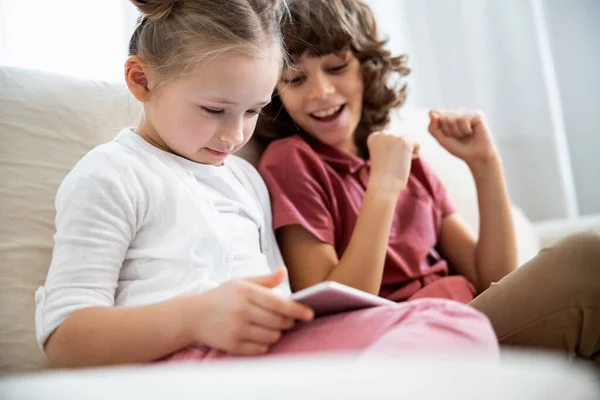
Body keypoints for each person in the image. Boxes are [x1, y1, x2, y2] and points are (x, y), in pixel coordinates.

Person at [34, 0, 498, 368]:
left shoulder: (244, 178)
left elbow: (283, 293)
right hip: (182, 364)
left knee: (455, 322)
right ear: (141, 80)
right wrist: (195, 317)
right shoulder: (112, 174)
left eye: (253, 110)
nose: (235, 135)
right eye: (214, 110)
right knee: (450, 331)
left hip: (269, 358)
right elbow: (64, 340)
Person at [256, 0, 600, 364]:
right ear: (274, 91)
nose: (321, 91)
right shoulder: (292, 160)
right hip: (416, 338)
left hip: (469, 314)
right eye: (295, 78)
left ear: (366, 67)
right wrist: (384, 187)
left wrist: (485, 164)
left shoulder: (405, 157)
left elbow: (494, 278)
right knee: (585, 259)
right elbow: (335, 303)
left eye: (336, 67)